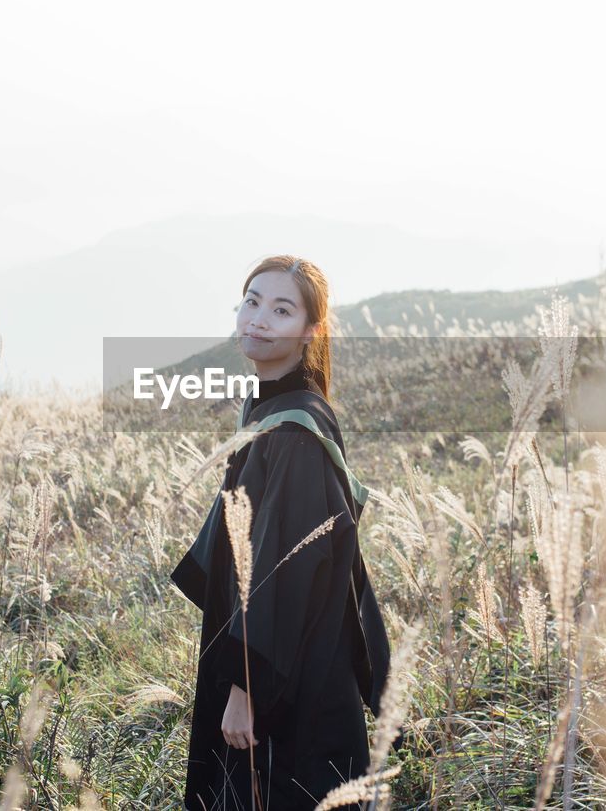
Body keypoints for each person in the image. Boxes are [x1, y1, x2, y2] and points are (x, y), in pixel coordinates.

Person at [170, 255, 392, 810]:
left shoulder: (295, 429)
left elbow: (281, 572)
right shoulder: (270, 406)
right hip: (282, 662)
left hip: (289, 676)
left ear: (310, 331)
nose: (259, 318)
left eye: (281, 309)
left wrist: (244, 692)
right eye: (252, 301)